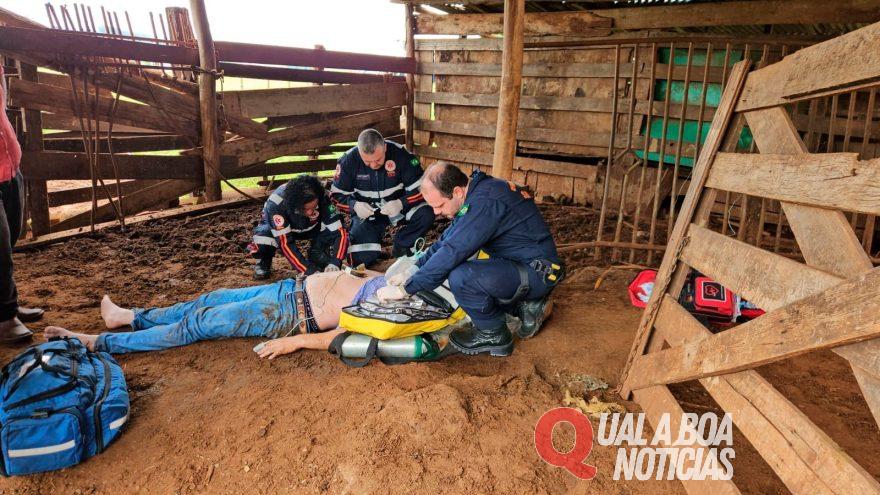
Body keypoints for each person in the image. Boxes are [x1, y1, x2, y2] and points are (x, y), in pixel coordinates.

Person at [377, 162, 563, 357]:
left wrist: (404, 290)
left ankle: (493, 333)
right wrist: (413, 270)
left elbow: (453, 251)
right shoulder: (477, 194)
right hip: (524, 267)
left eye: (439, 205)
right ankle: (528, 306)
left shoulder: (485, 202)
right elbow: (445, 242)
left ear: (457, 192)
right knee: (467, 270)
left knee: (462, 277)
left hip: (536, 272)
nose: (436, 212)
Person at [44, 270, 390, 360]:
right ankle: (130, 316)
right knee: (205, 301)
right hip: (289, 288)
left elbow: (341, 336)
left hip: (288, 312)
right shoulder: (404, 281)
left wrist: (293, 342)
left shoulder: (395, 310)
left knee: (198, 324)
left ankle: (100, 343)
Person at [330, 129, 434, 266]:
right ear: (359, 152)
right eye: (367, 162)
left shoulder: (402, 155)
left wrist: (401, 203)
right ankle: (371, 249)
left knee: (426, 213)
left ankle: (403, 244)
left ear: (385, 147)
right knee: (362, 259)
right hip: (367, 214)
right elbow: (335, 197)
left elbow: (423, 189)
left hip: (398, 208)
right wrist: (354, 205)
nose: (373, 165)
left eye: (378, 159)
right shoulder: (348, 161)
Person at [0, 64, 43, 344]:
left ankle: (8, 302)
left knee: (11, 235)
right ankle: (4, 318)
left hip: (8, 165)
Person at [248, 175, 349, 280]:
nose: (310, 212)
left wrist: (336, 262)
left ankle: (318, 252)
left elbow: (340, 232)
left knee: (330, 235)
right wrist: (306, 270)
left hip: (313, 227)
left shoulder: (323, 197)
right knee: (264, 235)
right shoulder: (276, 205)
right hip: (283, 230)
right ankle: (264, 260)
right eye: (305, 209)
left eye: (314, 207)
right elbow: (285, 243)